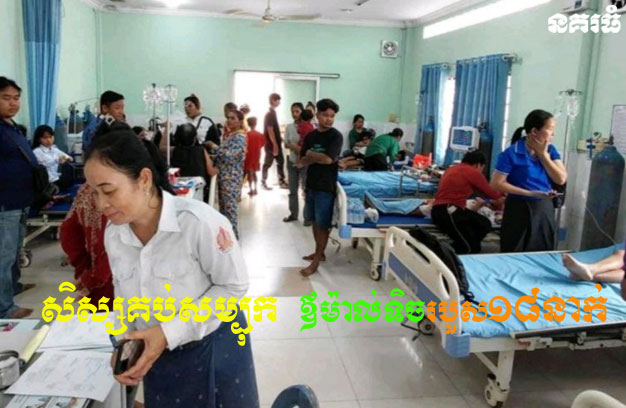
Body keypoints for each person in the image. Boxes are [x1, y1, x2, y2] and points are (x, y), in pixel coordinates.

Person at [83, 129, 258, 407]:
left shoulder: (199, 223)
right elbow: (125, 296)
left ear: (144, 179)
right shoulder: (115, 233)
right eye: (94, 193)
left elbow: (232, 286)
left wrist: (168, 332)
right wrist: (127, 344)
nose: (101, 204)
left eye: (109, 191)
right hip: (156, 351)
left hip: (212, 346)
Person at [491, 109, 567, 252]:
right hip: (518, 208)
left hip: (544, 209)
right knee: (514, 251)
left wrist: (543, 155)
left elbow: (561, 178)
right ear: (534, 131)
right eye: (550, 129)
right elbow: (496, 183)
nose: (553, 134)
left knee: (542, 251)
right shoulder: (511, 153)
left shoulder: (551, 150)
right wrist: (530, 193)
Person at [0, 77, 35, 318]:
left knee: (13, 253)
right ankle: (4, 308)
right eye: (6, 98)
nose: (13, 103)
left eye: (16, 98)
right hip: (5, 203)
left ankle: (13, 288)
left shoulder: (12, 127)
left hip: (20, 200)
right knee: (3, 257)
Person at [297, 99, 343, 277]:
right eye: (325, 115)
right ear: (317, 115)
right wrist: (314, 156)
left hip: (326, 186)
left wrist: (311, 154)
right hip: (311, 184)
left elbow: (328, 160)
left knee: (322, 224)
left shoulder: (336, 136)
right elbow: (302, 160)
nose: (329, 119)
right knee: (314, 222)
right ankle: (320, 253)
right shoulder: (311, 136)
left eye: (332, 116)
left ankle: (316, 261)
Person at [431, 151, 504, 254]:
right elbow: (491, 192)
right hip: (448, 211)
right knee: (468, 246)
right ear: (478, 165)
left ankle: (462, 246)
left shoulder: (452, 169)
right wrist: (505, 195)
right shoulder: (472, 172)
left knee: (484, 223)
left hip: (446, 209)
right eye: (482, 168)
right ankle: (461, 251)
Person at [207, 110, 246, 238]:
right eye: (228, 118)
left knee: (230, 212)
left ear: (240, 121)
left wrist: (214, 147)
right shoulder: (231, 136)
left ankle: (233, 239)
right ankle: (226, 239)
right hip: (224, 178)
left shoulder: (239, 137)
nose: (229, 120)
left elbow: (230, 156)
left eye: (233, 118)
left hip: (231, 180)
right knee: (223, 211)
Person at [170, 123, 218, 203]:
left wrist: (167, 128)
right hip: (199, 194)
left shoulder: (173, 151)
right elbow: (211, 171)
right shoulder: (201, 150)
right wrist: (220, 168)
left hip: (179, 193)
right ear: (194, 138)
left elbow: (161, 147)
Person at [283, 102, 306, 222]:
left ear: (302, 112)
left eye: (297, 111)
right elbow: (286, 143)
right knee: (292, 190)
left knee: (306, 190)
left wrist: (299, 149)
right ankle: (293, 214)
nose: (294, 114)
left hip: (305, 162)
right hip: (292, 161)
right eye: (292, 111)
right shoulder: (289, 127)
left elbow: (309, 145)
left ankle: (308, 217)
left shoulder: (308, 127)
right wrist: (293, 146)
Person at [32, 125, 74, 190]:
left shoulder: (54, 148)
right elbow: (44, 164)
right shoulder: (37, 151)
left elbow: (67, 157)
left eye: (51, 137)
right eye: (45, 138)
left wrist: (67, 158)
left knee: (68, 168)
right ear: (39, 139)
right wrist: (57, 160)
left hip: (56, 178)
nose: (49, 140)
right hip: (47, 182)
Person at [261, 93, 287, 190]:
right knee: (267, 163)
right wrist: (275, 144)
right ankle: (263, 182)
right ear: (273, 100)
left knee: (280, 162)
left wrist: (279, 139)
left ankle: (281, 181)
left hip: (275, 143)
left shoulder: (273, 113)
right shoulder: (270, 114)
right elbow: (270, 129)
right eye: (278, 100)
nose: (279, 102)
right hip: (271, 144)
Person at [244, 117, 265, 196]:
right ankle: (256, 188)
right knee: (254, 172)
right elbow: (263, 144)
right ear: (256, 124)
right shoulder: (260, 134)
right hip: (257, 155)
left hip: (248, 155)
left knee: (250, 173)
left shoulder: (246, 134)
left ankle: (251, 189)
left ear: (248, 124)